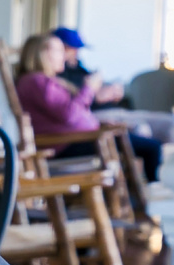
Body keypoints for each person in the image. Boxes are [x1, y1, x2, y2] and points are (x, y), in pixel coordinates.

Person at [15, 30, 164, 178]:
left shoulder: (42, 81)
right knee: (152, 147)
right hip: (67, 144)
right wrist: (89, 88)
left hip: (78, 139)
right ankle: (152, 193)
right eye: (59, 51)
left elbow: (67, 113)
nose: (64, 56)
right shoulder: (37, 82)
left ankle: (143, 192)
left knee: (142, 141)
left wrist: (99, 124)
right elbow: (69, 114)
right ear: (43, 54)